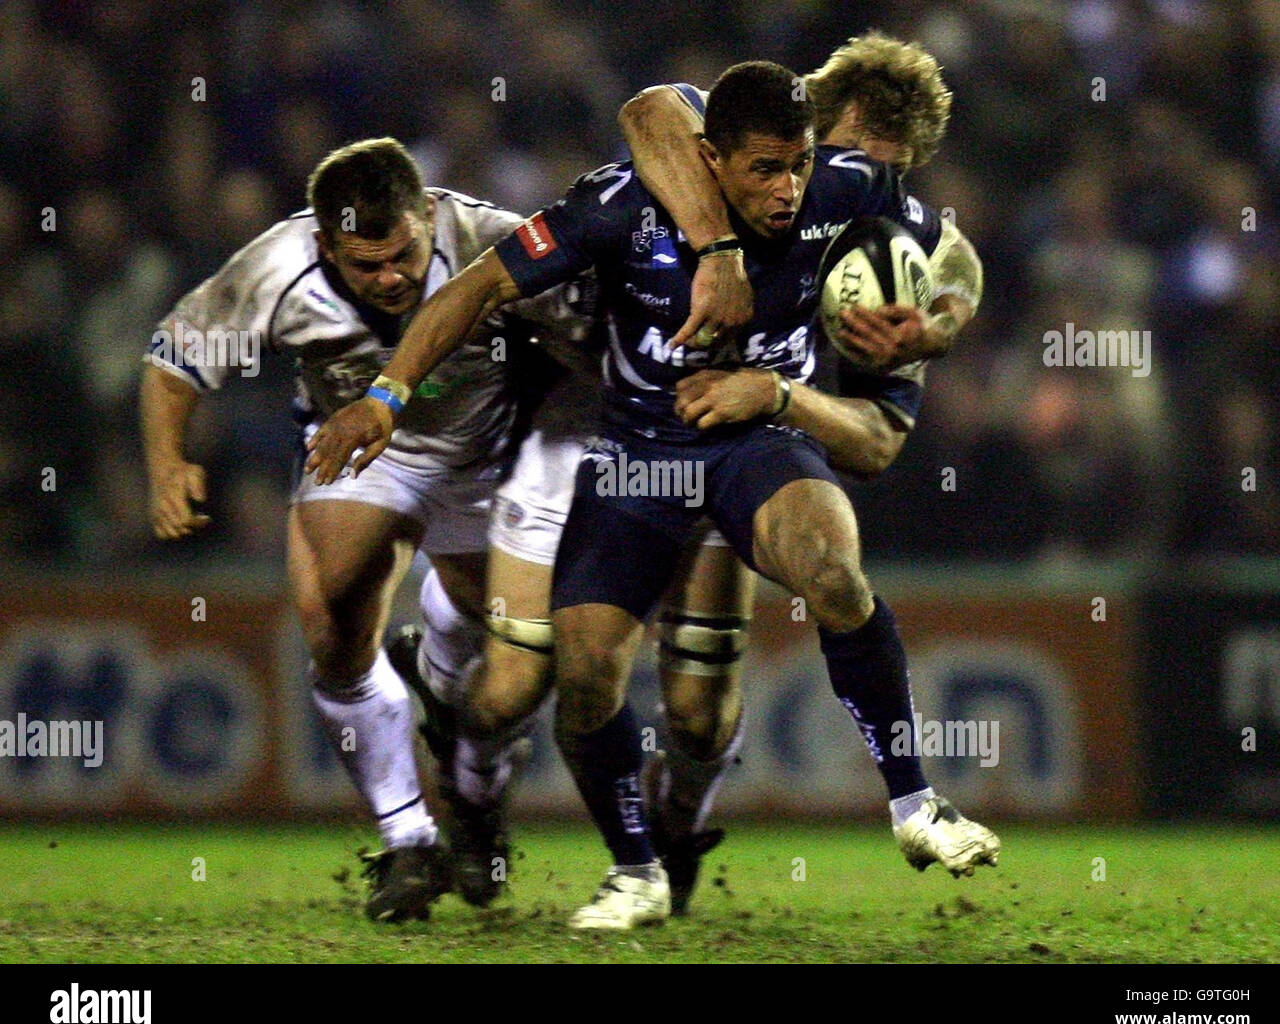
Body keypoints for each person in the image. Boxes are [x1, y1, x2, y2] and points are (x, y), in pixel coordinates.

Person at [305, 61, 1000, 931]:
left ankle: (915, 806)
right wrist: (385, 394)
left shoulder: (845, 184)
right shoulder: (623, 210)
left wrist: (939, 318)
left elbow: (955, 257)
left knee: (830, 575)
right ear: (711, 159)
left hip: (757, 440)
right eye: (765, 170)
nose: (788, 190)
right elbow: (477, 286)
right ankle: (632, 867)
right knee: (585, 673)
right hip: (636, 454)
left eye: (799, 165)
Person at [140, 137, 585, 922]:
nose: (390, 278)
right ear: (323, 247)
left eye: (403, 255)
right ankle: (407, 839)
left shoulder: (489, 240)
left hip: (494, 454)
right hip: (359, 449)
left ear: (430, 214)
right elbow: (175, 353)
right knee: (332, 617)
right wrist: (168, 461)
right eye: (364, 264)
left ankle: (473, 790)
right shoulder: (282, 268)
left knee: (512, 664)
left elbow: (599, 332)